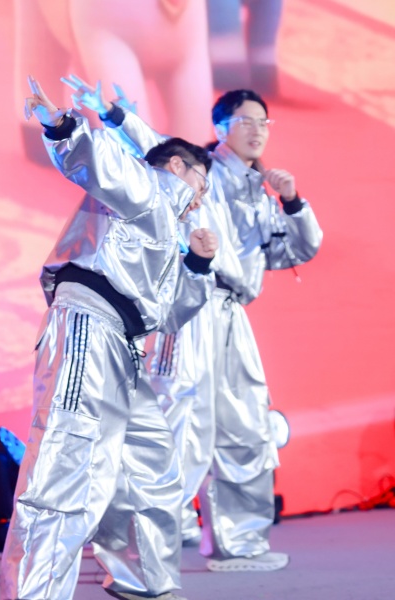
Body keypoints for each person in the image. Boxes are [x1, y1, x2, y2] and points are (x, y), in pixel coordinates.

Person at [81, 81, 322, 572]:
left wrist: (293, 201)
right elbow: (155, 147)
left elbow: (295, 250)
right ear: (221, 127)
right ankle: (137, 543)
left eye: (264, 122)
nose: (257, 131)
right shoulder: (202, 169)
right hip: (193, 306)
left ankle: (240, 541)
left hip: (233, 316)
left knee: (246, 427)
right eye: (245, 121)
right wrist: (114, 115)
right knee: (178, 424)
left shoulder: (263, 191)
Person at [1, 77, 218, 600]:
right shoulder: (149, 187)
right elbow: (97, 162)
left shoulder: (167, 226)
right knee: (66, 463)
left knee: (151, 460)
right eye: (202, 183)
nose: (203, 198)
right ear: (176, 167)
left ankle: (145, 581)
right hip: (88, 326)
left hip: (122, 346)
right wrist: (61, 125)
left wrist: (197, 264)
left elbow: (170, 315)